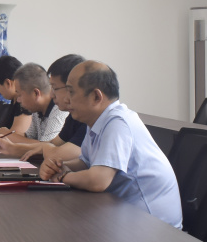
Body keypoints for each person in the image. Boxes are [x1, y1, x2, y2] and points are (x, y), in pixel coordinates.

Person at [39, 61, 183, 229]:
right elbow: (86, 162)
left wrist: (62, 176)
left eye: (71, 91)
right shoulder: (96, 122)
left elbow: (98, 180)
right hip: (127, 216)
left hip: (155, 228)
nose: (66, 99)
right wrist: (58, 166)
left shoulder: (118, 123)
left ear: (96, 97)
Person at [0, 54, 87, 161]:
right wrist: (10, 147)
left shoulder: (84, 118)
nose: (51, 94)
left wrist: (11, 145)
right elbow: (52, 145)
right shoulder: (74, 116)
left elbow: (57, 152)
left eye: (55, 88)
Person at [0, 62, 67, 148]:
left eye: (20, 95)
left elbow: (46, 147)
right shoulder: (37, 109)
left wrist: (7, 136)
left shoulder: (59, 110)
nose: (18, 100)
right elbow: (28, 137)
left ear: (36, 93)